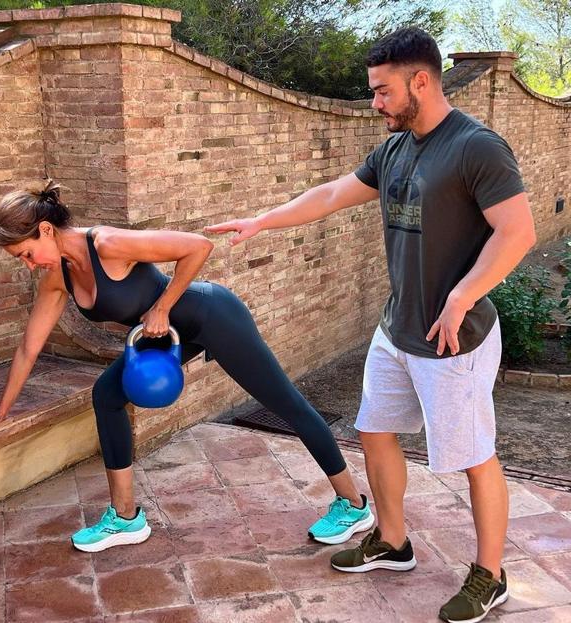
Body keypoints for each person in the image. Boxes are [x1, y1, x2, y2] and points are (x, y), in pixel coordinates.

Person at [205, 27, 536, 623]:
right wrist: (262, 221)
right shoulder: (395, 149)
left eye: (382, 92)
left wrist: (462, 296)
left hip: (453, 339)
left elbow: (518, 234)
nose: (375, 103)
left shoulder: (476, 147)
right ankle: (392, 539)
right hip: (397, 328)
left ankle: (490, 575)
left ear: (421, 81)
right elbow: (332, 192)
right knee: (375, 431)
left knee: (473, 457)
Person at [0, 180, 374, 552]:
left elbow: (197, 247)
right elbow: (29, 347)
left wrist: (162, 307)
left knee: (286, 404)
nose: (28, 263)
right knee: (106, 396)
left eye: (25, 253)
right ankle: (126, 517)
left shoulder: (108, 244)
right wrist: (1, 410)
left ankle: (354, 506)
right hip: (167, 336)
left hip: (213, 316)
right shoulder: (58, 276)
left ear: (45, 230)